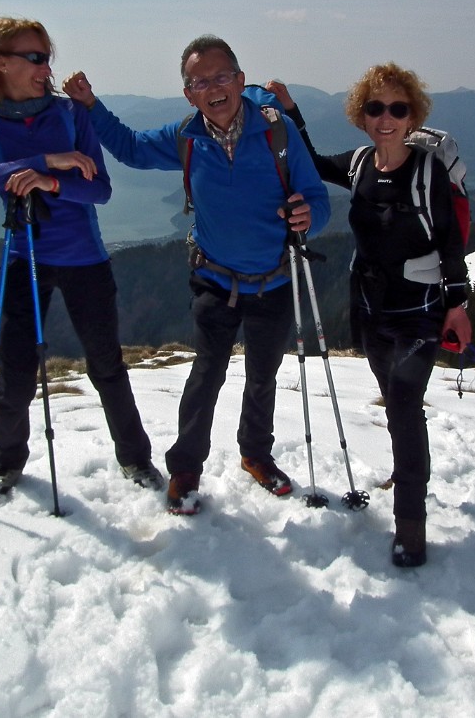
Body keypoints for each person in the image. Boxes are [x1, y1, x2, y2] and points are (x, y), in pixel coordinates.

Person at [63, 35, 331, 514]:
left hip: (273, 279)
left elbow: (320, 199)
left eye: (221, 76)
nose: (213, 87)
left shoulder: (278, 134)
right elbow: (129, 148)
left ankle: (256, 455)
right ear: (188, 94)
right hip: (214, 279)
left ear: (240, 80)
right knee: (206, 375)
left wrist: (310, 214)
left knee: (263, 375)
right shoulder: (187, 135)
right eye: (199, 81)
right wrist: (91, 105)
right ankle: (186, 468)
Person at [271, 65, 470, 568]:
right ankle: (407, 472)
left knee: (405, 406)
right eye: (375, 108)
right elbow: (311, 163)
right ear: (361, 115)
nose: (386, 118)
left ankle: (411, 527)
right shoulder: (359, 164)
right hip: (372, 311)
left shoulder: (429, 172)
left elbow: (450, 243)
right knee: (396, 402)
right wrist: (291, 113)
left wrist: (458, 306)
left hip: (419, 313)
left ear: (412, 116)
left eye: (397, 109)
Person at [0, 17, 163, 494]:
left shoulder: (72, 114)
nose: (46, 67)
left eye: (47, 56)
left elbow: (103, 192)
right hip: (23, 255)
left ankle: (136, 460)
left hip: (83, 258)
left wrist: (49, 183)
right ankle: (7, 462)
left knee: (106, 364)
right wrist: (47, 161)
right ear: (0, 62)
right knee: (15, 367)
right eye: (36, 58)